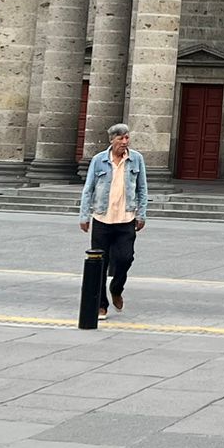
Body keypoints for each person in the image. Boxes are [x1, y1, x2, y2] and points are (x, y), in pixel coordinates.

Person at [79, 123, 149, 319]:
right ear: (112, 140)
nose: (125, 142)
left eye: (127, 138)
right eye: (121, 138)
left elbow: (142, 189)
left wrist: (141, 214)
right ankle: (101, 305)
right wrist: (84, 216)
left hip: (126, 219)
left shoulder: (136, 159)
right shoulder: (98, 160)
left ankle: (116, 288)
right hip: (102, 218)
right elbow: (88, 189)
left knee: (126, 258)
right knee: (99, 264)